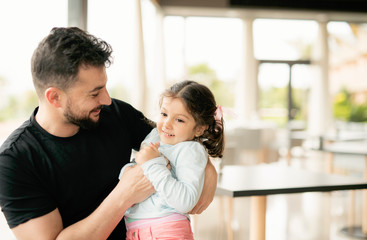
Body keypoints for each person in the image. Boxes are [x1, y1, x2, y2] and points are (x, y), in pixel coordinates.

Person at [0, 27, 218, 240]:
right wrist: (125, 194)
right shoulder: (14, 162)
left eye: (104, 87)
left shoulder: (115, 113)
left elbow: (176, 138)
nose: (106, 100)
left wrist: (209, 170)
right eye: (95, 93)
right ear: (54, 98)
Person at [119, 80, 224, 239]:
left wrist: (152, 163)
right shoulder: (157, 136)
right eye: (164, 114)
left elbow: (185, 202)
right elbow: (140, 166)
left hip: (166, 231)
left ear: (199, 129)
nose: (166, 124)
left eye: (179, 120)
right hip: (138, 230)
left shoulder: (191, 151)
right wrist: (127, 172)